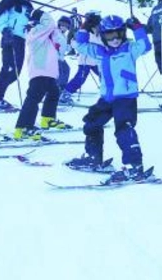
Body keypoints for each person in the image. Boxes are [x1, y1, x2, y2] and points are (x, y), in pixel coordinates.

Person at [65, 15, 153, 182]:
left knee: (123, 129)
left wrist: (137, 27)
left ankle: (134, 166)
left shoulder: (129, 49)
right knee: (92, 122)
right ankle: (93, 157)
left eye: (118, 34)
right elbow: (80, 45)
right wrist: (85, 26)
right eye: (109, 36)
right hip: (107, 98)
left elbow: (145, 45)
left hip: (125, 98)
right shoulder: (99, 52)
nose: (115, 39)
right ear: (103, 36)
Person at [12, 9, 73, 140]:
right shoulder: (35, 32)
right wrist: (41, 14)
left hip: (48, 71)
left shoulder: (46, 34)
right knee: (33, 98)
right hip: (40, 70)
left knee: (54, 92)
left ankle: (47, 118)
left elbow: (61, 43)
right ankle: (22, 127)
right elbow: (50, 24)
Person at [62, 11, 102, 103]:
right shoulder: (84, 30)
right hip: (85, 61)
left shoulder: (100, 30)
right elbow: (74, 42)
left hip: (96, 61)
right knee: (80, 78)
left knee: (104, 75)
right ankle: (66, 92)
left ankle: (110, 91)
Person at [55, 16, 72, 96]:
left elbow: (65, 48)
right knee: (60, 74)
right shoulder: (55, 33)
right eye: (62, 25)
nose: (64, 27)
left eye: (66, 26)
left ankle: (61, 88)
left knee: (66, 69)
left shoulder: (63, 36)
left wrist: (70, 46)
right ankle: (56, 91)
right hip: (55, 58)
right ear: (59, 24)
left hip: (61, 58)